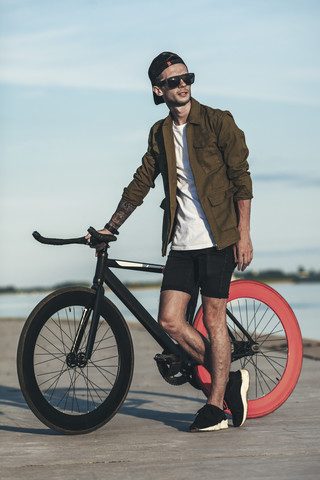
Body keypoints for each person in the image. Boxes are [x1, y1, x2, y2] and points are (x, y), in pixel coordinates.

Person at [90, 52, 253, 432]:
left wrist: (244, 233)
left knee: (213, 319)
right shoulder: (159, 133)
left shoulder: (217, 121)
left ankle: (216, 407)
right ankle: (229, 378)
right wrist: (110, 226)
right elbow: (142, 181)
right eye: (173, 81)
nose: (182, 85)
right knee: (170, 321)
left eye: (186, 78)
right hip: (181, 241)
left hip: (217, 238)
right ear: (157, 89)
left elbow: (241, 178)